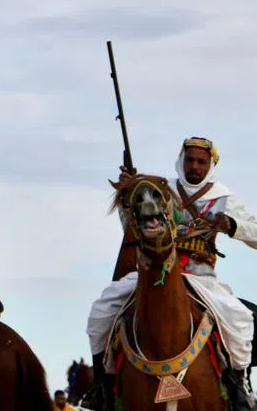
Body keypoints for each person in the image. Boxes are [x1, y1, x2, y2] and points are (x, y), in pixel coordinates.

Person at [84, 137, 257, 411]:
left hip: (201, 279)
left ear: (211, 165)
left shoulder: (222, 198)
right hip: (153, 271)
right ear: (181, 160)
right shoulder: (162, 190)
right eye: (189, 160)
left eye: (201, 161)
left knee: (241, 319)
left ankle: (237, 387)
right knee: (101, 312)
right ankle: (102, 387)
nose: (194, 167)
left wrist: (232, 225)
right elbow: (134, 225)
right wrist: (128, 194)